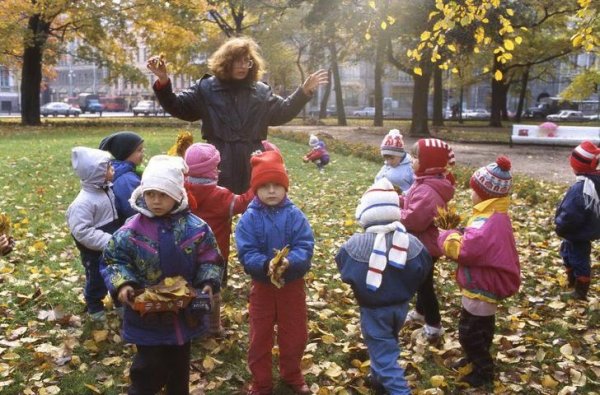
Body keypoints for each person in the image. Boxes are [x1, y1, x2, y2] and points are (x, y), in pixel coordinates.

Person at [101, 155, 223, 395]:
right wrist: (123, 283)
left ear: (178, 194)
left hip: (184, 312)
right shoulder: (131, 230)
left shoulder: (196, 227)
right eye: (150, 194)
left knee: (179, 367)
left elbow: (210, 257)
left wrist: (208, 281)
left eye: (163, 194)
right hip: (146, 314)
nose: (156, 201)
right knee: (149, 367)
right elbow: (114, 259)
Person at [147, 36, 329, 194]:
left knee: (254, 211)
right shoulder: (206, 88)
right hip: (218, 161)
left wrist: (303, 93)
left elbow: (282, 112)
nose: (243, 66)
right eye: (237, 61)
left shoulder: (261, 91)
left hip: (253, 160)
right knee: (218, 213)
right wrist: (164, 81)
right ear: (226, 62)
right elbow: (179, 107)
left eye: (247, 61)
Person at [335, 178, 433, 395]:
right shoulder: (411, 242)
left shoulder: (355, 244)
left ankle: (398, 389)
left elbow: (344, 268)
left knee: (384, 353)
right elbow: (424, 266)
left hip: (373, 309)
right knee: (387, 342)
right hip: (401, 306)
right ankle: (377, 379)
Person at [235, 150, 314, 395]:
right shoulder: (248, 218)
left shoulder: (295, 215)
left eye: (277, 185)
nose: (271, 191)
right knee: (260, 336)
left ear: (285, 187)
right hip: (262, 287)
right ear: (255, 189)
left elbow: (305, 245)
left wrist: (291, 262)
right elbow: (246, 252)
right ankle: (261, 382)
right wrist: (263, 265)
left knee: (295, 333)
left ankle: (292, 374)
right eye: (265, 186)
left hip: (292, 285)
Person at [438, 156, 520, 388]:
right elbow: (478, 241)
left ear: (485, 193)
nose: (470, 193)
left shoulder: (487, 220)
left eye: (473, 190)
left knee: (469, 331)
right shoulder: (494, 214)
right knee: (480, 326)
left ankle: (483, 370)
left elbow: (465, 251)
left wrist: (447, 235)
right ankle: (474, 357)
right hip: (482, 281)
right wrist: (463, 230)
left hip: (482, 285)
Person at [183, 142, 254, 336]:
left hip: (185, 253)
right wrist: (257, 183)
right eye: (216, 166)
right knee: (212, 291)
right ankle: (213, 327)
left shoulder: (181, 191)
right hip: (215, 256)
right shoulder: (221, 196)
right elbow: (243, 203)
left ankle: (190, 324)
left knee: (188, 288)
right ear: (212, 171)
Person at [401, 138, 455, 342]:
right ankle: (420, 312)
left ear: (428, 163)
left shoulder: (428, 190)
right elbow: (410, 201)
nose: (411, 160)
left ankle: (434, 324)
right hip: (423, 244)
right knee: (421, 282)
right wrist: (396, 199)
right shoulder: (423, 182)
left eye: (415, 157)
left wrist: (395, 212)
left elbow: (415, 220)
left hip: (425, 246)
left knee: (424, 286)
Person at [66, 147, 120, 321]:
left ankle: (120, 301)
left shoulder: (106, 189)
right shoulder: (82, 203)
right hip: (95, 250)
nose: (114, 169)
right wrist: (108, 240)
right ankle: (94, 303)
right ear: (97, 173)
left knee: (118, 274)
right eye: (109, 167)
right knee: (97, 278)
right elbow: (82, 231)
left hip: (112, 244)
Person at [555, 141, 600, 300]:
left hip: (577, 232)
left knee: (578, 258)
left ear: (577, 166)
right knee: (567, 252)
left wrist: (560, 226)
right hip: (581, 231)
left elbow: (571, 214)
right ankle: (572, 281)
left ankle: (580, 291)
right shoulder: (592, 180)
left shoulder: (581, 189)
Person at [99, 131, 145, 224]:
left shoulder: (122, 171)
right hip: (132, 225)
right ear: (126, 153)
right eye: (139, 150)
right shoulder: (126, 179)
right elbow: (134, 209)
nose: (143, 152)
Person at [374, 129, 414, 193]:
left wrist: (405, 194)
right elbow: (378, 179)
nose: (389, 162)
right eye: (386, 158)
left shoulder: (410, 167)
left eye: (392, 158)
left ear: (400, 155)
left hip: (401, 200)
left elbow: (416, 188)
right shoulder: (387, 166)